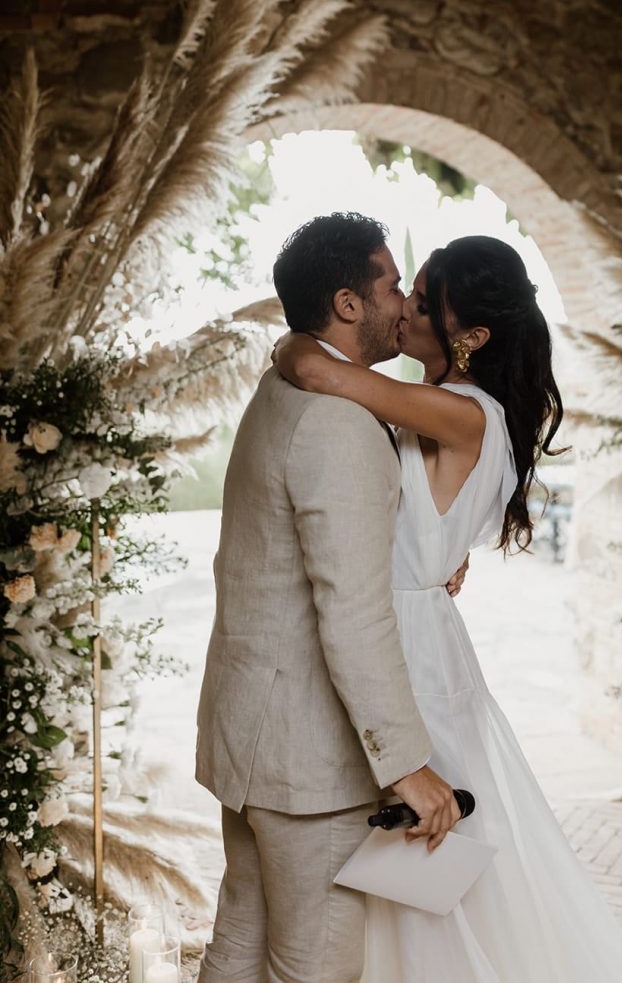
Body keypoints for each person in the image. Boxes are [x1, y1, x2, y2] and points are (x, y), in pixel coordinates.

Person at [273, 234, 622, 983]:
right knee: (431, 855)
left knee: (422, 848)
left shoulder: (459, 410)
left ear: (471, 335)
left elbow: (314, 365)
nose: (406, 307)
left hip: (407, 649)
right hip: (421, 634)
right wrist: (441, 557)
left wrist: (291, 339)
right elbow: (428, 516)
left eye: (423, 299)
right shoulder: (468, 411)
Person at [195, 213, 462, 983]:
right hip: (307, 761)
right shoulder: (339, 422)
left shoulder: (284, 384)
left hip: (251, 735)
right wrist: (406, 762)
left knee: (240, 942)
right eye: (389, 283)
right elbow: (352, 611)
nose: (403, 298)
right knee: (315, 967)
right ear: (347, 303)